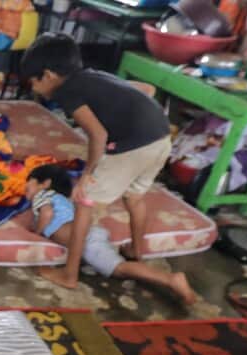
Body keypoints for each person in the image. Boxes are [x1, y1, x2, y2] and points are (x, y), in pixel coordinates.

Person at [21, 32, 174, 288]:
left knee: (83, 202)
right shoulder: (93, 76)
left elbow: (98, 135)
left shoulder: (66, 93)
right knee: (134, 197)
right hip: (161, 138)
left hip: (132, 147)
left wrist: (87, 175)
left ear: (48, 75)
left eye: (33, 84)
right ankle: (137, 251)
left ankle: (69, 275)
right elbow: (147, 89)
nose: (35, 90)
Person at [24, 164, 198, 305]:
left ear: (45, 183)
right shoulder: (63, 200)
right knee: (117, 266)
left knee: (119, 269)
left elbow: (46, 214)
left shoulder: (42, 196)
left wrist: (37, 231)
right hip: (92, 233)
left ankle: (170, 279)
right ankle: (168, 279)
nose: (25, 190)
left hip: (87, 240)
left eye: (28, 183)